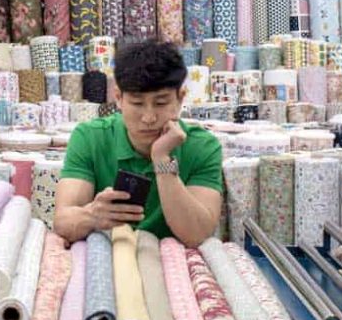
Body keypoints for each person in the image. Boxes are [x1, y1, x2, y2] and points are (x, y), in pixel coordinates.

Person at [53, 40, 223, 247]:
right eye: (137, 103)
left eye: (161, 103)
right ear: (118, 98)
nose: (149, 117)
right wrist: (92, 216)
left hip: (175, 264)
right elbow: (62, 222)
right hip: (106, 256)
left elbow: (196, 235)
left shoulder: (202, 147)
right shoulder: (89, 138)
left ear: (180, 98)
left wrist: (162, 160)